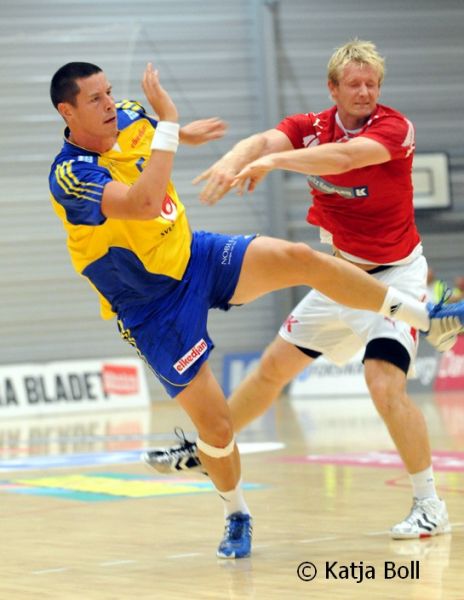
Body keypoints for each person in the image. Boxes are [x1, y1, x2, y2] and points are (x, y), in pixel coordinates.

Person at [143, 40, 464, 540]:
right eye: (354, 83)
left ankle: (430, 505)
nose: (365, 92)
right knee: (272, 369)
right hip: (338, 278)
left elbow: (343, 159)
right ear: (333, 88)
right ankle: (208, 449)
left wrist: (275, 162)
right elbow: (261, 141)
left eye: (372, 84)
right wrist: (233, 159)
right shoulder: (308, 126)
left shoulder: (394, 129)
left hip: (393, 276)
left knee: (383, 384)